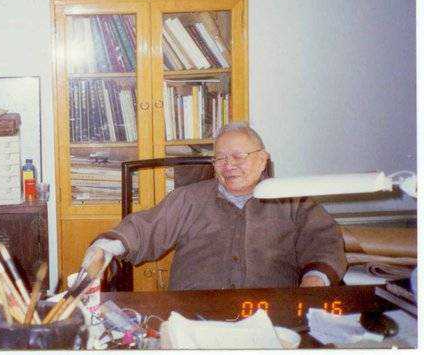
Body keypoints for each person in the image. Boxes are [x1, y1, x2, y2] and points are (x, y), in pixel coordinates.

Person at [84, 122, 347, 291]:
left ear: (262, 160)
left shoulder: (292, 199)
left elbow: (323, 240)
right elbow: (147, 228)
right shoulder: (189, 199)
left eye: (238, 156)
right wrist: (108, 246)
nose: (228, 165)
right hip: (195, 315)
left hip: (271, 314)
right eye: (220, 158)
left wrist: (316, 278)